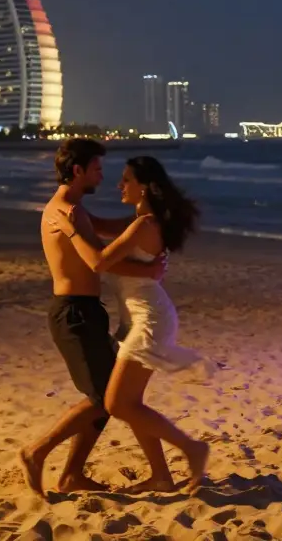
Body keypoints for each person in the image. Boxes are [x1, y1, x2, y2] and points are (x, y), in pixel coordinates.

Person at [50, 155, 210, 495]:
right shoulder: (140, 221)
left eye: (126, 180)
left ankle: (192, 448)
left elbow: (99, 262)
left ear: (144, 187)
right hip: (136, 317)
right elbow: (99, 224)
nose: (119, 185)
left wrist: (72, 229)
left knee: (118, 404)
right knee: (131, 404)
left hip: (149, 320)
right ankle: (162, 477)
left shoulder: (142, 225)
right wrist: (66, 204)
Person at [18, 138, 166, 497]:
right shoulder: (64, 210)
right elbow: (97, 261)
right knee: (106, 398)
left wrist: (149, 221)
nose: (104, 175)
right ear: (79, 170)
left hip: (86, 312)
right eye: (98, 168)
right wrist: (147, 272)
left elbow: (105, 234)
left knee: (107, 399)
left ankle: (71, 475)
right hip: (73, 313)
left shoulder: (76, 210)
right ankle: (36, 453)